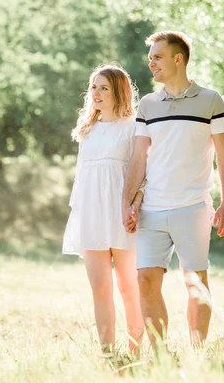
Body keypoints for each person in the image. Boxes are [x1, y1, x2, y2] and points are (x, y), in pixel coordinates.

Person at [121, 31, 224, 347]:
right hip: (152, 210)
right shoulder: (147, 104)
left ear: (178, 59)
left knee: (195, 282)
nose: (151, 64)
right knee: (145, 280)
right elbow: (137, 159)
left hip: (193, 208)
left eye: (157, 57)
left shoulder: (211, 100)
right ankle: (160, 356)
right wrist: (127, 203)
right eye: (150, 59)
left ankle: (197, 352)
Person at [63, 65, 145, 355]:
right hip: (91, 215)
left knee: (128, 286)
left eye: (104, 88)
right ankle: (107, 352)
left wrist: (134, 206)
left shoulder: (134, 127)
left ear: (118, 91)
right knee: (99, 287)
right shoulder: (87, 129)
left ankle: (136, 349)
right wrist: (79, 214)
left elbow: (143, 173)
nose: (96, 93)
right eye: (93, 87)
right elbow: (82, 176)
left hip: (122, 216)